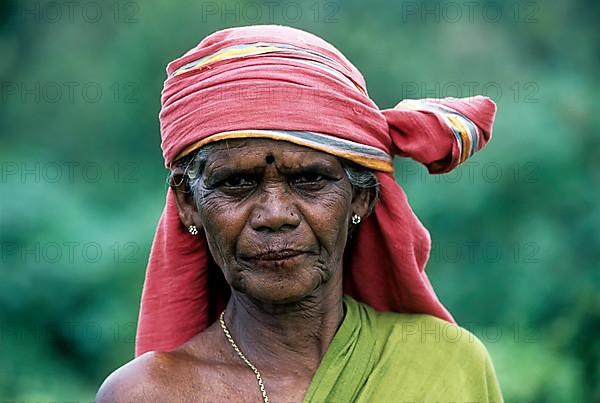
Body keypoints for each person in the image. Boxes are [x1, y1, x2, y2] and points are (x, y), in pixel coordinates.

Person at [97, 25, 502, 402]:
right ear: (189, 204)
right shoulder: (147, 393)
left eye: (309, 179)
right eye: (237, 183)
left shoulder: (446, 366)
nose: (275, 215)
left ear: (361, 197)